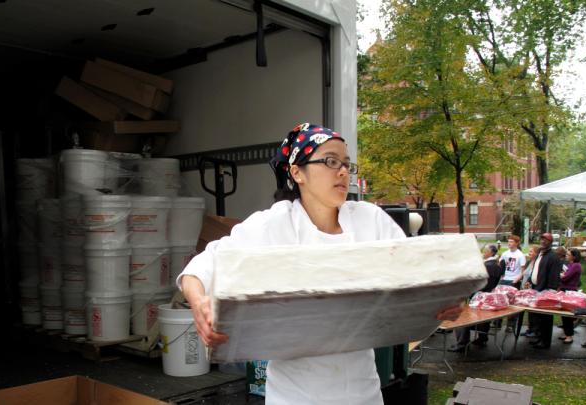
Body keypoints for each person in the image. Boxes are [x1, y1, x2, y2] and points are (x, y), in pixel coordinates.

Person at [178, 123, 464, 404]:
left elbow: (418, 271)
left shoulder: (370, 221)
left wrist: (445, 298)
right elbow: (207, 262)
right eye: (330, 161)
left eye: (346, 164)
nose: (342, 171)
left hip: (363, 392)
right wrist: (198, 302)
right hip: (295, 395)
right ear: (297, 172)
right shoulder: (277, 223)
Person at [450, 244, 503, 352]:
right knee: (483, 320)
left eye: (486, 251)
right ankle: (482, 338)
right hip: (488, 296)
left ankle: (462, 343)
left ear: (492, 253)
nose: (484, 252)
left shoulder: (487, 266)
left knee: (464, 319)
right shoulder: (496, 265)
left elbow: (479, 282)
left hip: (479, 296)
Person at [525, 233, 561, 349]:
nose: (543, 241)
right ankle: (539, 337)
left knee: (545, 318)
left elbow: (554, 275)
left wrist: (550, 291)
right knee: (538, 317)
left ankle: (545, 342)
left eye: (545, 240)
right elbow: (536, 270)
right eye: (541, 239)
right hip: (536, 288)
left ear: (550, 242)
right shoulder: (540, 254)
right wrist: (530, 280)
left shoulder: (553, 257)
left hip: (545, 290)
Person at [558, 248, 582, 344]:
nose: (566, 256)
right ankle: (566, 332)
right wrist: (562, 275)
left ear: (574, 256)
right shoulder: (570, 264)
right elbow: (563, 275)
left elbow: (565, 277)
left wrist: (561, 275)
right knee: (563, 313)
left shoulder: (576, 265)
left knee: (568, 314)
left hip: (570, 290)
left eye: (568, 254)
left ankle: (569, 335)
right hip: (564, 289)